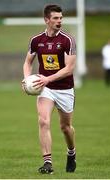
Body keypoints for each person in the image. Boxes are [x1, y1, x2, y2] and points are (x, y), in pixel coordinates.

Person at [22, 4, 76, 174]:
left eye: (60, 18)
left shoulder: (68, 40)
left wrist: (47, 78)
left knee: (65, 128)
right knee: (43, 121)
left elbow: (69, 69)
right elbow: (28, 62)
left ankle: (71, 152)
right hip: (45, 89)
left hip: (65, 88)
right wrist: (27, 79)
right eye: (55, 18)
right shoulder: (36, 40)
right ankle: (47, 163)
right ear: (47, 20)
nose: (59, 21)